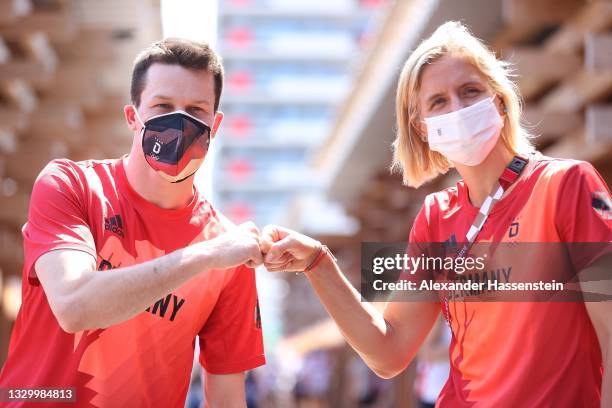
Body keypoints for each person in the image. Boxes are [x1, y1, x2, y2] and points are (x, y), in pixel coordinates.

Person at [260, 22, 612, 406]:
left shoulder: (567, 184)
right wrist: (319, 264)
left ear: (498, 100)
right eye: (438, 101)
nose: (457, 109)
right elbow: (388, 353)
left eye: (470, 91)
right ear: (423, 127)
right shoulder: (436, 215)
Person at [0, 38, 266, 407]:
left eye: (196, 110)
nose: (180, 122)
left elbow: (226, 398)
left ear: (215, 124)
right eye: (162, 106)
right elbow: (74, 305)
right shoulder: (71, 186)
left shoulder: (228, 252)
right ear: (132, 117)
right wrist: (206, 256)